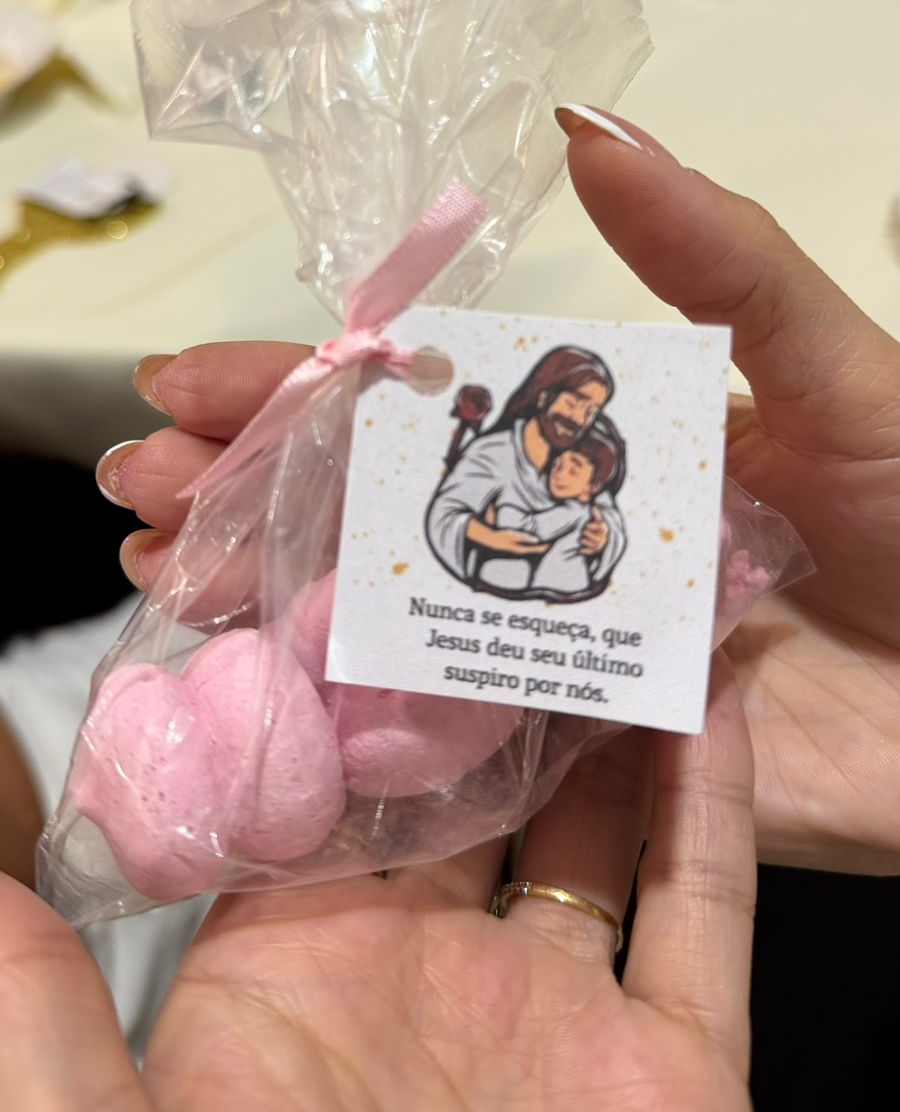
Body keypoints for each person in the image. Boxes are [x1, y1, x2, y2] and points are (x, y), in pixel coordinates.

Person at [1, 104, 899, 1104]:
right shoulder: (481, 456)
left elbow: (595, 552)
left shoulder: (596, 473)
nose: (573, 431)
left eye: (587, 418)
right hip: (355, 700)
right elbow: (454, 530)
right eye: (563, 410)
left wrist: (610, 549)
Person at [426, 345, 626, 600]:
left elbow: (606, 511)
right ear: (544, 396)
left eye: (591, 411)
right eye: (573, 402)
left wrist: (601, 535)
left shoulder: (580, 455)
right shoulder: (494, 451)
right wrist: (492, 538)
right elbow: (445, 514)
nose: (578, 419)